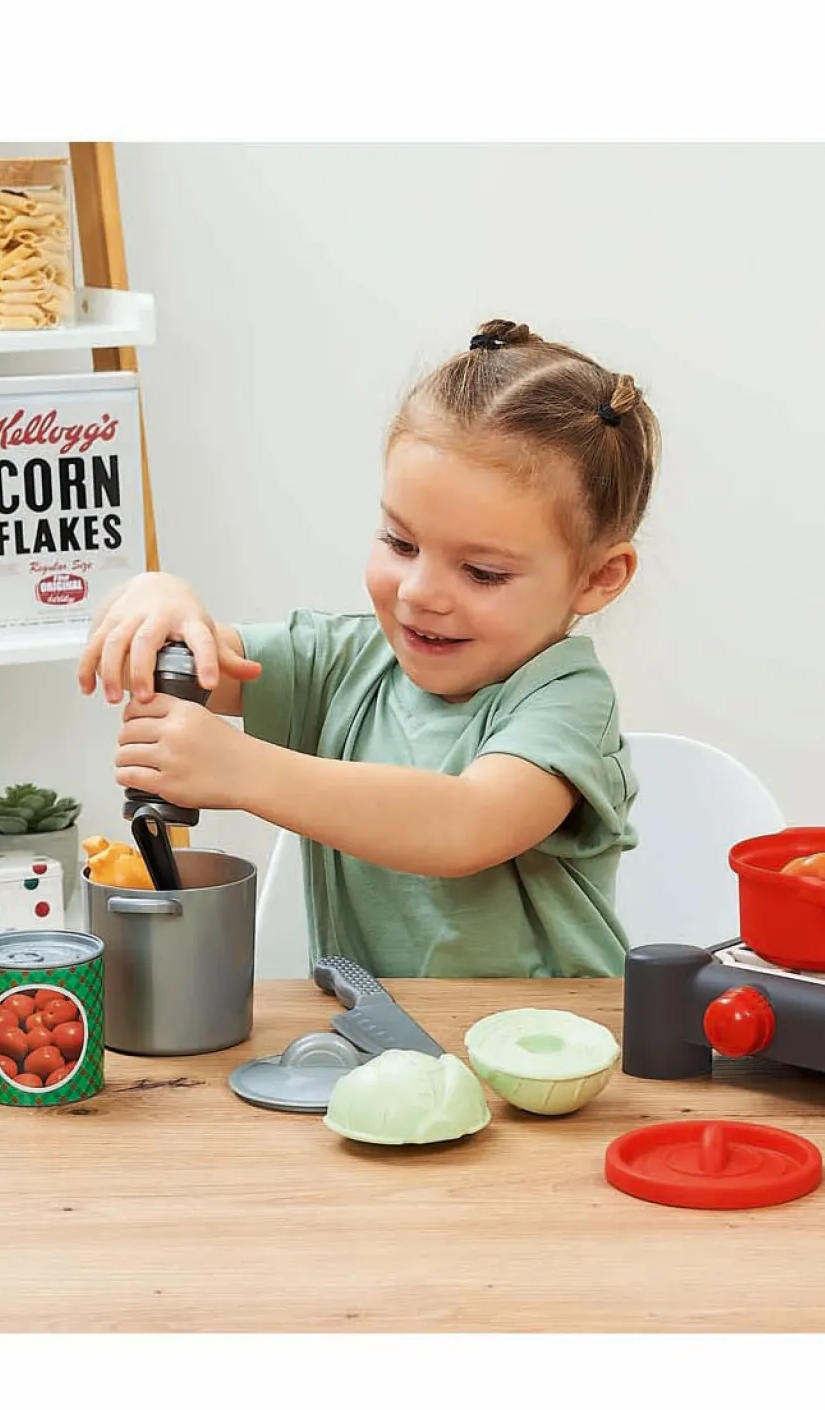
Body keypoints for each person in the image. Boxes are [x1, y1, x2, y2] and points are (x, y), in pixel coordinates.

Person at [77, 318, 661, 979]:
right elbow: (195, 658)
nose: (420, 593)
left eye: (483, 573)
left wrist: (241, 771)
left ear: (597, 577)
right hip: (374, 1033)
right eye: (400, 543)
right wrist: (159, 599)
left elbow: (465, 825)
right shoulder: (340, 662)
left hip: (549, 1038)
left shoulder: (568, 702)